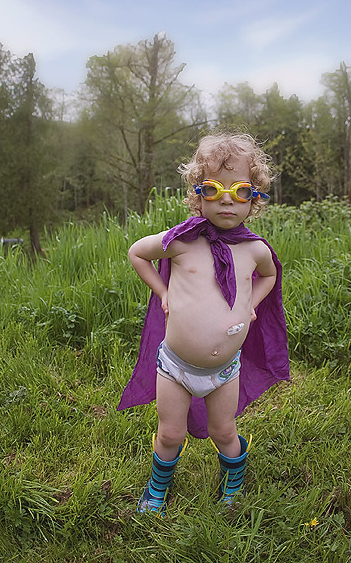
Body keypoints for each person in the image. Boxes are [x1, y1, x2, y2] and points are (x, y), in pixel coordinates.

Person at [118, 132, 289, 514]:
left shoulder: (254, 249)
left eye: (240, 190)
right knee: (170, 433)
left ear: (255, 198)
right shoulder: (181, 241)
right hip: (176, 366)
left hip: (225, 370)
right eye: (213, 189)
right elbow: (136, 254)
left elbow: (269, 276)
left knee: (223, 431)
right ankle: (157, 490)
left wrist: (251, 304)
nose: (227, 198)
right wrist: (163, 292)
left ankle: (234, 480)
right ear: (198, 193)